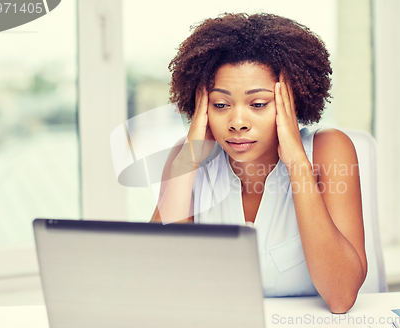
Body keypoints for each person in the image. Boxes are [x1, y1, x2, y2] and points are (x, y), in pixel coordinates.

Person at [150, 13, 366, 314]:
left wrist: (296, 163)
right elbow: (156, 284)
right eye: (221, 105)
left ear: (292, 102)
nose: (237, 122)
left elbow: (341, 298)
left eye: (258, 104)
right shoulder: (187, 159)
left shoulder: (329, 150)